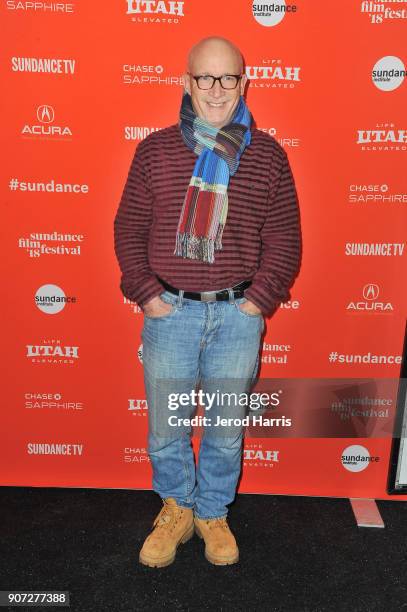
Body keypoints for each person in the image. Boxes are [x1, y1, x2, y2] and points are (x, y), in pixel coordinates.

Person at [114, 36, 301, 568]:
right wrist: (148, 296)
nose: (216, 91)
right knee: (166, 427)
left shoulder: (266, 156)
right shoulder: (153, 151)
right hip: (169, 315)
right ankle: (177, 507)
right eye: (205, 78)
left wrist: (258, 302)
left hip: (237, 317)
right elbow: (128, 228)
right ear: (186, 81)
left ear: (244, 83)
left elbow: (284, 239)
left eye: (227, 79)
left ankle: (212, 512)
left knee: (224, 427)